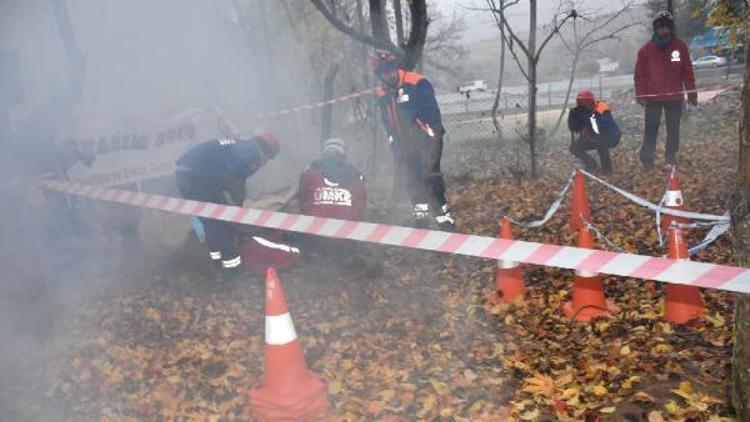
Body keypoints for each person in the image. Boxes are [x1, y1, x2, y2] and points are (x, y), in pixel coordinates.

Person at [371, 49, 455, 231]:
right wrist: (392, 139)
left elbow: (432, 114)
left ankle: (445, 221)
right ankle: (421, 220)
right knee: (412, 181)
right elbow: (386, 119)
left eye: (391, 69)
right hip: (404, 145)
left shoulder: (416, 83)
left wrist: (432, 136)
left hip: (427, 141)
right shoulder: (382, 93)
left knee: (430, 179)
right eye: (384, 72)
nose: (389, 74)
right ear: (379, 75)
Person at [175, 133, 280, 278]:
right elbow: (232, 180)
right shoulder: (251, 154)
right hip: (195, 176)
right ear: (265, 151)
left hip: (186, 172)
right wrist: (234, 209)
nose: (266, 162)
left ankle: (216, 263)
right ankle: (232, 272)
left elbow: (235, 180)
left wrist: (236, 204)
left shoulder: (242, 146)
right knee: (224, 221)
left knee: (211, 220)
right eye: (269, 158)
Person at [634, 11, 697, 170]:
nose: (663, 31)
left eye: (666, 27)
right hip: (653, 98)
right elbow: (639, 76)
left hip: (674, 96)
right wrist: (641, 95)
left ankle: (670, 158)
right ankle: (647, 160)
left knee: (673, 129)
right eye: (660, 28)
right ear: (655, 29)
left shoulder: (680, 47)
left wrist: (692, 94)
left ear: (671, 28)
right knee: (651, 129)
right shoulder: (645, 51)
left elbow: (687, 72)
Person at [298, 138, 366, 221]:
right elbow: (360, 208)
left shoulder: (309, 172)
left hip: (313, 229)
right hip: (347, 231)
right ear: (344, 154)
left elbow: (302, 200)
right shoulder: (356, 177)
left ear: (324, 153)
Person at [568, 90, 621, 175]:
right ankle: (591, 164)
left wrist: (587, 119)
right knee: (575, 148)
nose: (584, 109)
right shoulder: (582, 112)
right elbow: (575, 129)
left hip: (611, 136)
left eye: (585, 107)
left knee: (601, 142)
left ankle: (607, 170)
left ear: (591, 103)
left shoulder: (602, 108)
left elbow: (601, 128)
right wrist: (573, 118)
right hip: (595, 136)